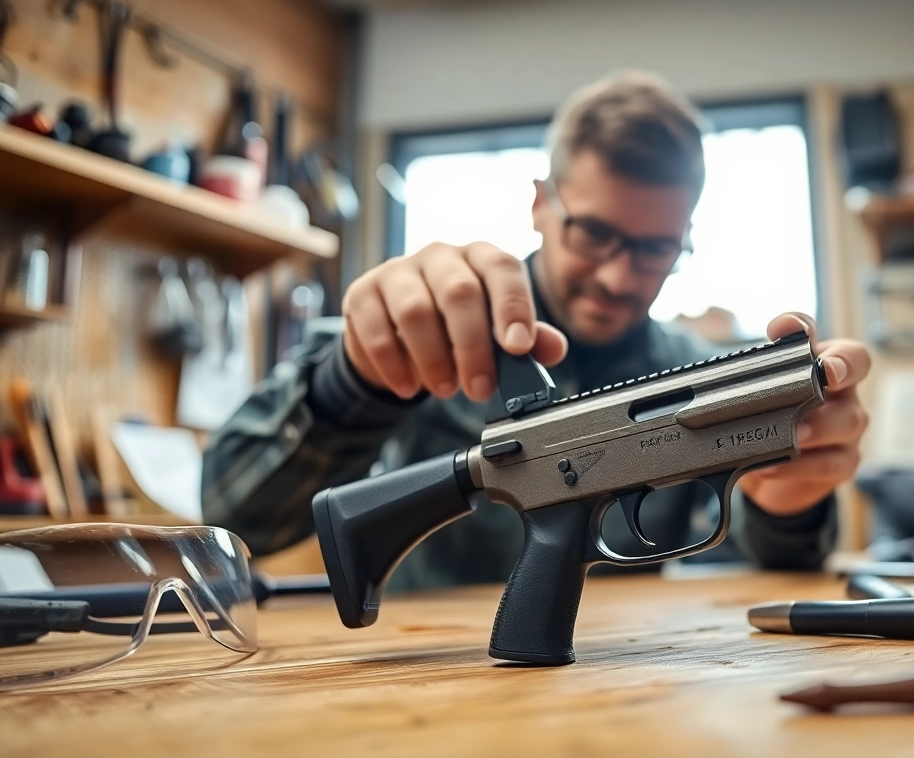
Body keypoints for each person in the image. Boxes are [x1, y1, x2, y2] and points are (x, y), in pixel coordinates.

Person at [203, 71, 872, 589]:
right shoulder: (429, 328)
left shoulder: (696, 371)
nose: (617, 276)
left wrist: (791, 501)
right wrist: (353, 383)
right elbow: (233, 516)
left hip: (632, 694)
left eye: (653, 248)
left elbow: (786, 562)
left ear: (684, 240)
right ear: (540, 204)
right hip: (427, 694)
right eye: (595, 233)